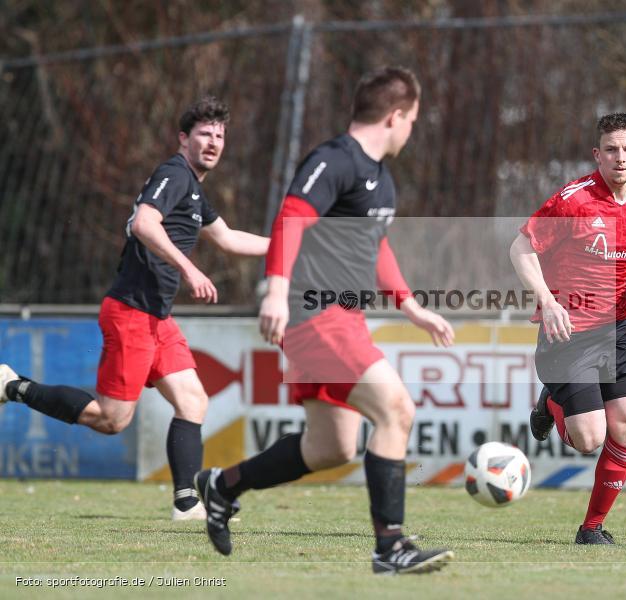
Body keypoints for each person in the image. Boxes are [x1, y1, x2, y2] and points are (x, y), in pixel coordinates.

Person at [193, 66, 455, 575]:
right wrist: (276, 292)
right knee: (396, 409)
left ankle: (223, 486)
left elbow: (375, 248)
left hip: (345, 319)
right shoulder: (334, 160)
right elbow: (290, 219)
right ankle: (390, 548)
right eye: (412, 120)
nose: (411, 130)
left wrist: (411, 306)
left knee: (331, 447)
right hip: (315, 314)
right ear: (395, 116)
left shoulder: (382, 181)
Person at [0, 97, 269, 520]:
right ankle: (12, 386)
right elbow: (145, 223)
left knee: (193, 400)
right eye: (204, 133)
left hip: (157, 318)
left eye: (220, 135)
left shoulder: (193, 189)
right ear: (183, 138)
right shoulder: (174, 174)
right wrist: (189, 269)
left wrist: (288, 247)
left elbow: (230, 238)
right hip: (131, 312)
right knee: (111, 420)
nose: (213, 142)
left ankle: (186, 504)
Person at [509, 113, 626, 544]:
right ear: (598, 155)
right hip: (569, 331)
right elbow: (521, 247)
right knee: (589, 439)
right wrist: (547, 300)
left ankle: (591, 528)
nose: (620, 157)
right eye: (611, 149)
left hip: (617, 327)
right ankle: (550, 402)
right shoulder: (574, 200)